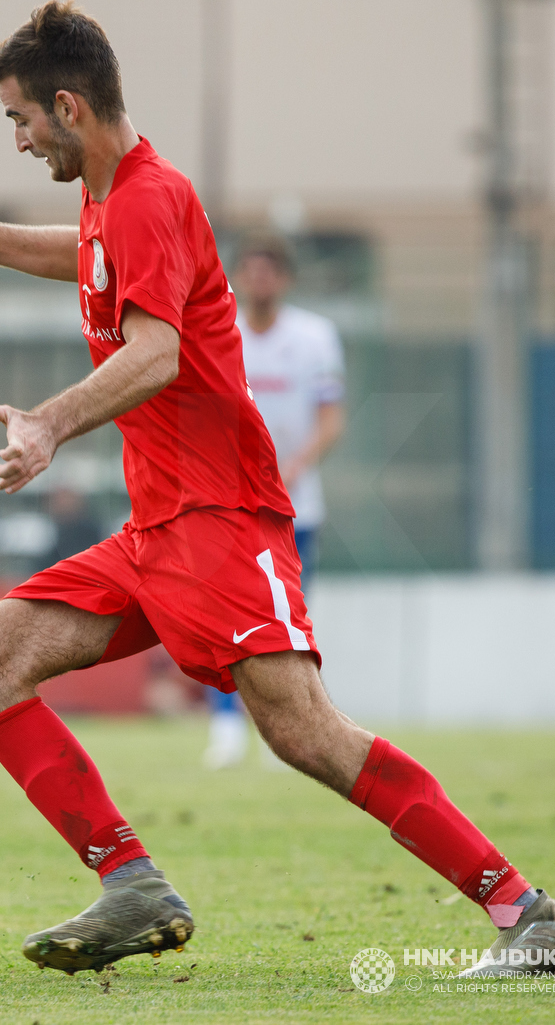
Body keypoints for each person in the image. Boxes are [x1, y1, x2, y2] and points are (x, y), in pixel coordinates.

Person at [0, 1, 555, 979]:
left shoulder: (151, 197)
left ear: (68, 105)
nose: (20, 138)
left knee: (307, 735)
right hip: (157, 529)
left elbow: (156, 353)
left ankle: (529, 914)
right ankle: (132, 882)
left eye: (19, 119)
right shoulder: (111, 202)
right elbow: (76, 258)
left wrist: (49, 421)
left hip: (221, 521)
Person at [204, 233, 346, 769]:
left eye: (270, 271)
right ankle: (224, 725)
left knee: (286, 621)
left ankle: (288, 732)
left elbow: (331, 419)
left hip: (293, 507)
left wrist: (290, 470)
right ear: (238, 276)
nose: (260, 280)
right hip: (227, 503)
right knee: (222, 614)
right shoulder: (221, 330)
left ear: (284, 279)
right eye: (251, 270)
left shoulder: (315, 338)